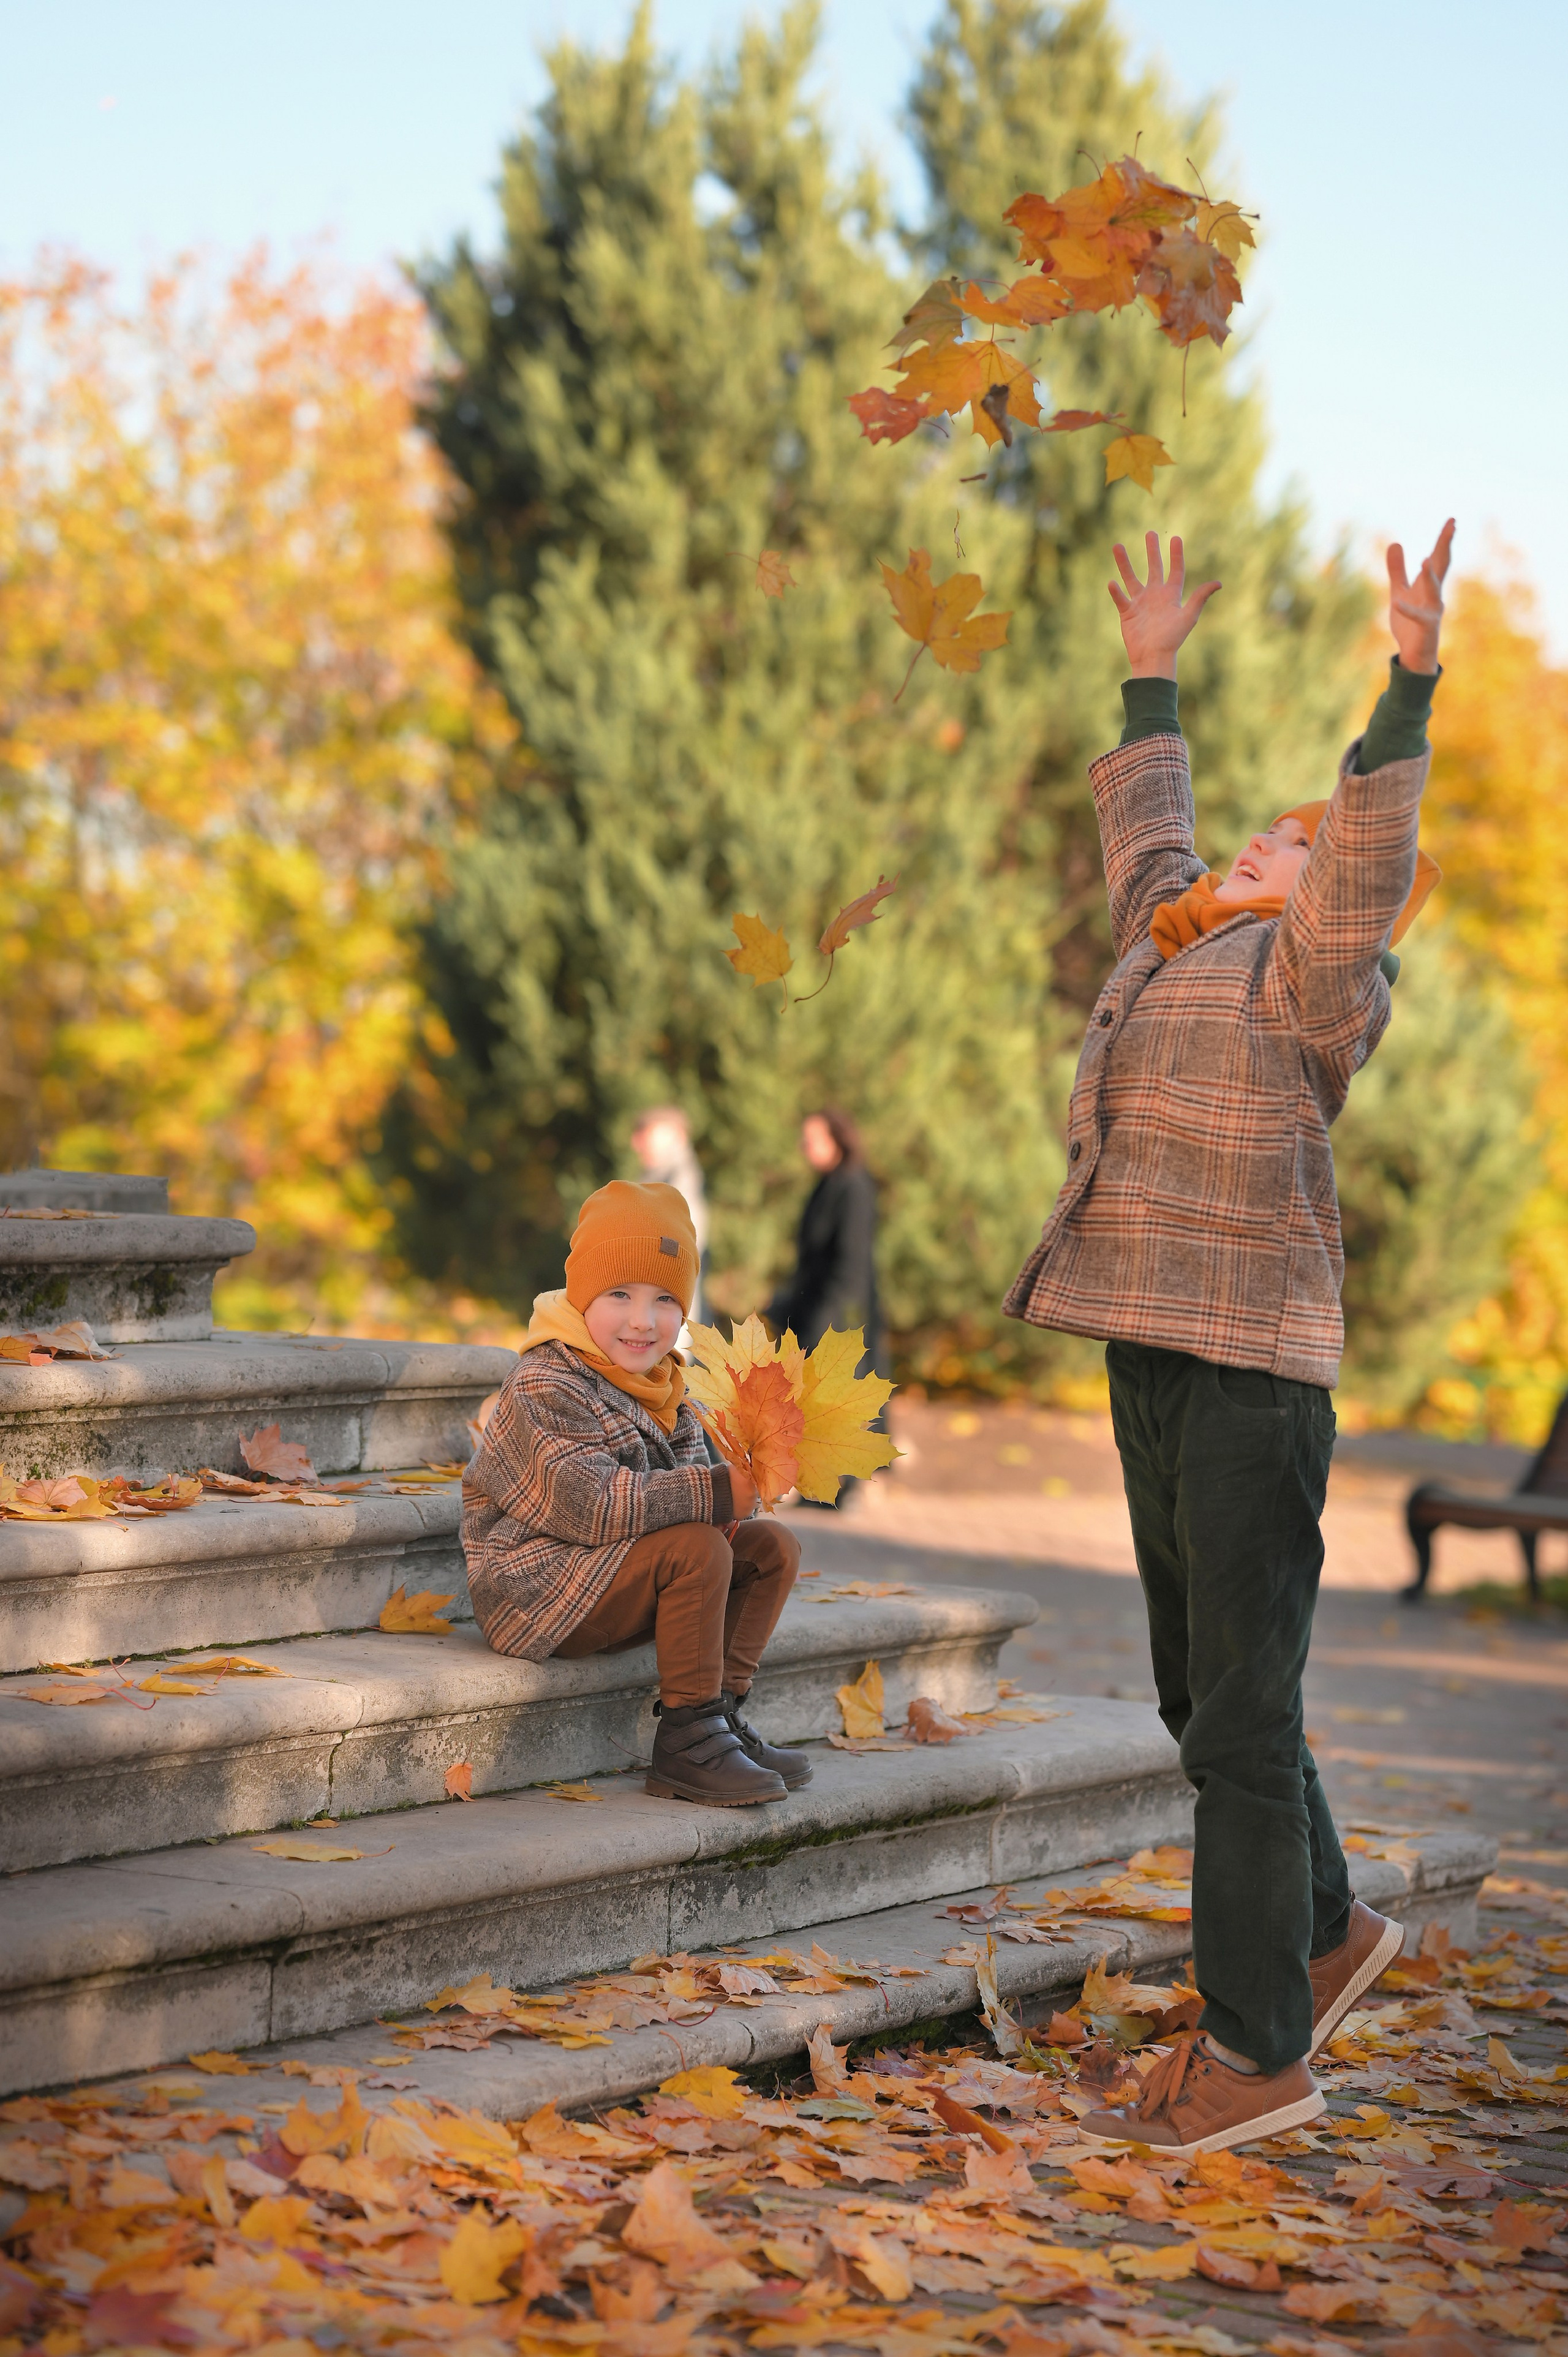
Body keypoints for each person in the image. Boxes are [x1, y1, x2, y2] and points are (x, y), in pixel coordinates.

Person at [1005, 522, 1453, 2154]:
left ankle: (1260, 2050)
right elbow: (1150, 838)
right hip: (1146, 1346)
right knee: (1206, 1699)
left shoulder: (1309, 983)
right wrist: (1150, 662)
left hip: (1254, 1371)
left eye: (1296, 844)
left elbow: (1359, 869)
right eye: (1262, 835)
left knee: (1242, 1734)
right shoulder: (1174, 945)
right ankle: (1329, 1936)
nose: (1261, 844)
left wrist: (1404, 690)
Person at [462, 1180, 809, 1804]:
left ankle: (721, 1715)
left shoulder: (667, 1384)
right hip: (538, 1585)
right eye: (618, 1294)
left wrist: (744, 1484)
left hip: (614, 1574)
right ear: (580, 1294)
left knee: (769, 1547)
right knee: (697, 1547)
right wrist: (713, 1495)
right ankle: (687, 1738)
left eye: (664, 1299)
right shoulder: (546, 1380)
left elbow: (703, 1484)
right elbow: (589, 1504)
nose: (642, 1320)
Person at [766, 1109, 881, 1357]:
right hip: (815, 1307)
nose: (804, 1147)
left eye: (812, 1140)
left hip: (837, 1318)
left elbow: (851, 1263)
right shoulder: (827, 1184)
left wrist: (826, 1321)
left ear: (836, 1140)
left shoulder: (854, 1187)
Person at [630, 1106, 709, 1323]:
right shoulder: (659, 1176)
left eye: (646, 1135)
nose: (636, 1144)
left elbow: (675, 1246)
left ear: (676, 1136)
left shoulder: (680, 1179)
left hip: (664, 1298)